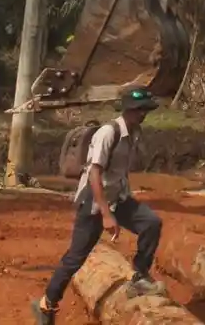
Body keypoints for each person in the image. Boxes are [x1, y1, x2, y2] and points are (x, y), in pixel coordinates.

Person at [32, 86, 167, 324]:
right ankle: (46, 304)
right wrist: (106, 215)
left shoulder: (134, 133)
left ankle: (139, 276)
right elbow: (95, 174)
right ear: (127, 110)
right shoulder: (108, 133)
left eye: (145, 109)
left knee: (151, 223)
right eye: (139, 109)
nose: (143, 114)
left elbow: (118, 172)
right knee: (76, 257)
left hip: (118, 198)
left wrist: (122, 197)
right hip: (93, 202)